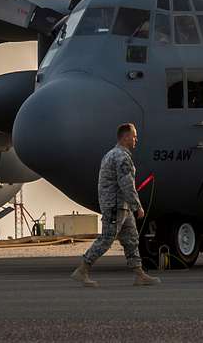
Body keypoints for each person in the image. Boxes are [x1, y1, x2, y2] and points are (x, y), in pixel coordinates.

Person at [72, 122, 159, 287]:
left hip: (121, 206)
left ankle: (139, 274)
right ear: (126, 137)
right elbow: (126, 183)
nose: (136, 140)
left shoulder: (110, 155)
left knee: (132, 239)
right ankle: (82, 270)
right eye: (134, 136)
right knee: (106, 239)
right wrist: (137, 206)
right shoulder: (121, 157)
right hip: (116, 206)